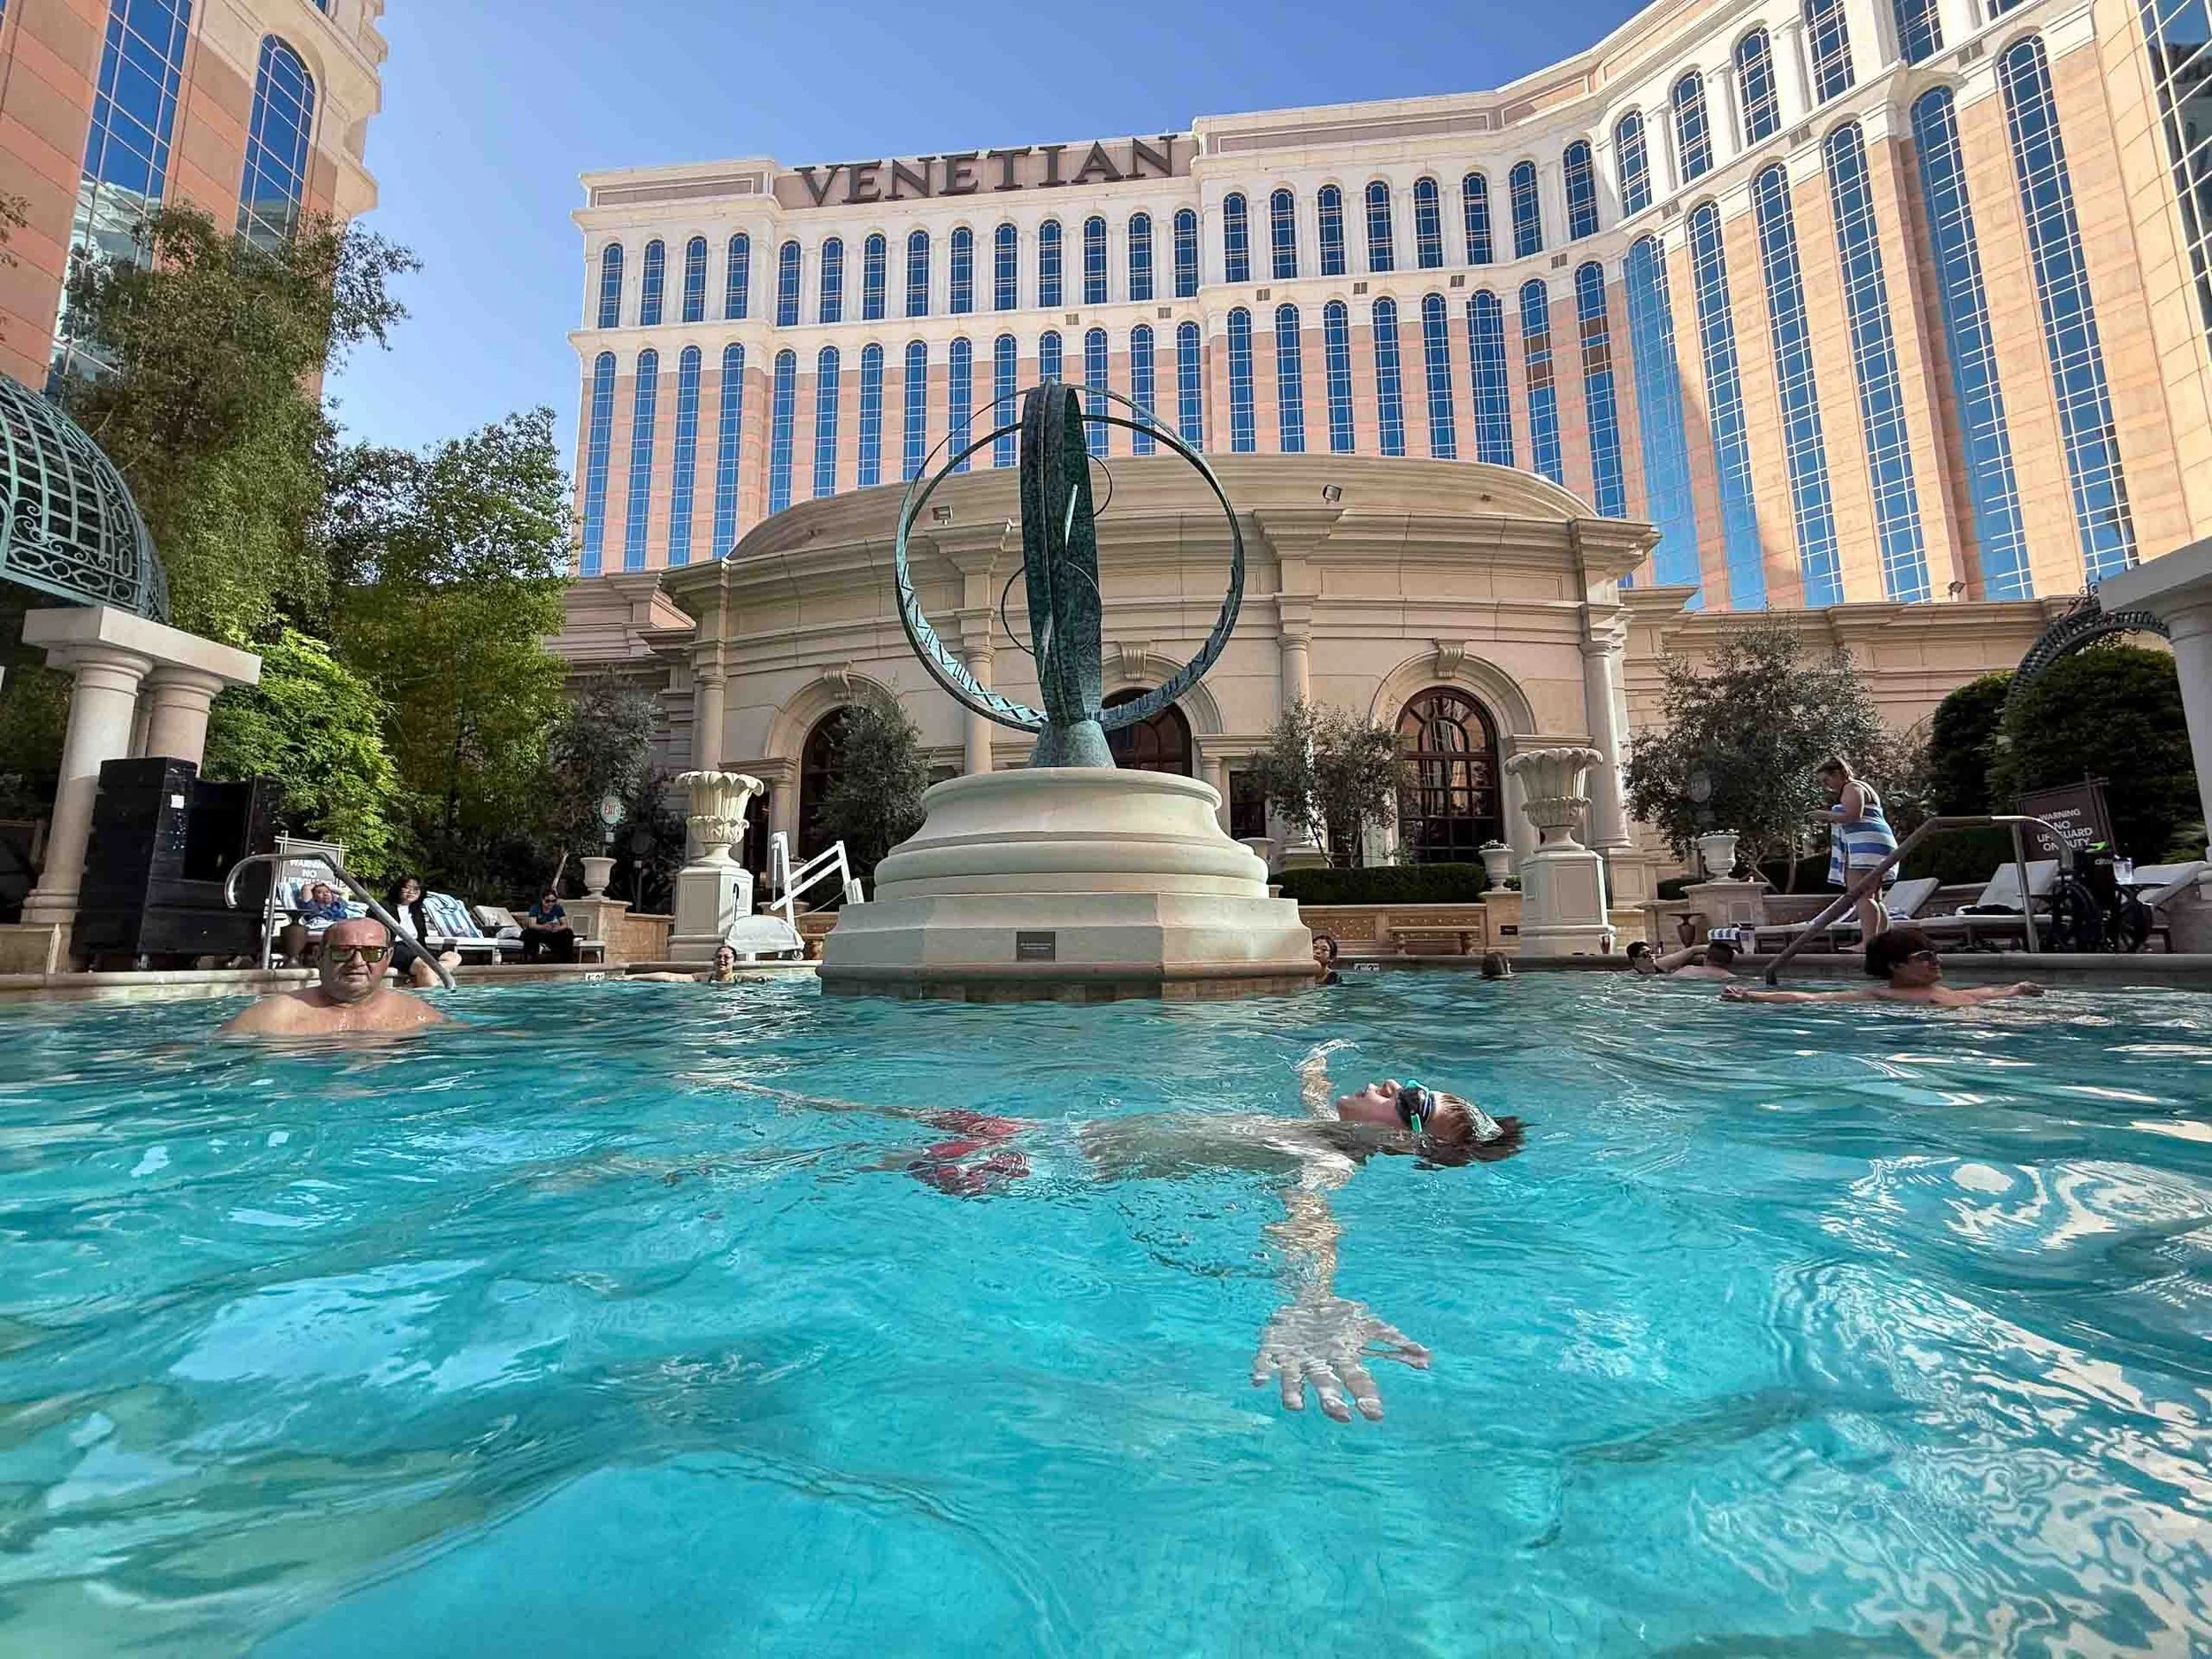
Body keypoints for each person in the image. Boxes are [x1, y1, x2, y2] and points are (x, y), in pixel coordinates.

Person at [724, 1045, 1523, 1423]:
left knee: (838, 1160)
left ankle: (693, 1165)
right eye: (1407, 1079)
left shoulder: (1330, 1166)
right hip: (1050, 1129)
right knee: (848, 1118)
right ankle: (733, 1090)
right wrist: (1318, 1061)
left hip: (1035, 1167)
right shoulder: (1323, 1126)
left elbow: (1306, 1227)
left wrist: (1313, 1302)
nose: (1392, 1083)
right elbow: (1316, 1091)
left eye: (1410, 1098)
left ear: (1406, 1144)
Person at [222, 918, 449, 1036]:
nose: (357, 962)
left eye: (371, 952)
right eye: (343, 951)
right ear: (319, 956)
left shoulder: (417, 1015)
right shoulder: (270, 1017)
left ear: (388, 957)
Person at [1720, 924, 2045, 1007]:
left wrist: (2016, 989)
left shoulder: (1942, 990)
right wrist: (1753, 996)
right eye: (1924, 958)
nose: (1935, 961)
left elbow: (1985, 993)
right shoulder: (1881, 996)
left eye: (1934, 955)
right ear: (1895, 967)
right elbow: (1812, 998)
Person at [1817, 756, 1898, 946]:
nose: (1826, 786)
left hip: (1866, 845)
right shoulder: (1860, 787)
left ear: (1837, 773)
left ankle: (1868, 944)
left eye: (1826, 780)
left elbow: (1853, 815)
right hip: (1877, 844)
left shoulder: (1852, 787)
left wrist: (1826, 815)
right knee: (1874, 896)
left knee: (1861, 895)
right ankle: (1881, 943)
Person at [385, 874, 460, 987]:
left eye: (416, 889)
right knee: (423, 965)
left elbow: (421, 937)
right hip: (395, 948)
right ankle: (430, 1000)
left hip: (416, 947)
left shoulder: (416, 911)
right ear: (398, 888)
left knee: (454, 957)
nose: (411, 892)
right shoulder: (384, 907)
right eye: (407, 887)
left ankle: (419, 979)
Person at [275, 880, 350, 965]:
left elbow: (344, 892)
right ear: (313, 896)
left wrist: (327, 885)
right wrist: (315, 884)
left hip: (340, 927)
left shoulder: (338, 905)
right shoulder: (311, 905)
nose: (325, 894)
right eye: (319, 893)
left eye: (327, 892)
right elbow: (306, 888)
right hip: (320, 925)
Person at [630, 942, 746, 985]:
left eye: (726, 957)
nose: (722, 960)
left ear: (734, 961)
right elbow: (670, 977)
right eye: (718, 957)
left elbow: (758, 979)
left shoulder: (739, 979)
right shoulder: (704, 978)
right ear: (713, 960)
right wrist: (633, 976)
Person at [1627, 939, 1739, 980]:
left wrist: (1723, 951)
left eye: (1651, 952)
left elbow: (1693, 950)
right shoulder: (1631, 977)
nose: (1651, 956)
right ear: (1634, 959)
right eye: (1645, 954)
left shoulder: (1662, 964)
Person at [520, 888, 575, 964]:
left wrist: (558, 928)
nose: (550, 904)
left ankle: (567, 959)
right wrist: (543, 927)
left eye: (553, 901)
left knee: (568, 932)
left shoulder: (557, 908)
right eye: (547, 901)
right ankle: (530, 958)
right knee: (528, 933)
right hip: (539, 932)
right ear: (542, 900)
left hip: (553, 932)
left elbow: (565, 924)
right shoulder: (535, 908)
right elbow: (532, 924)